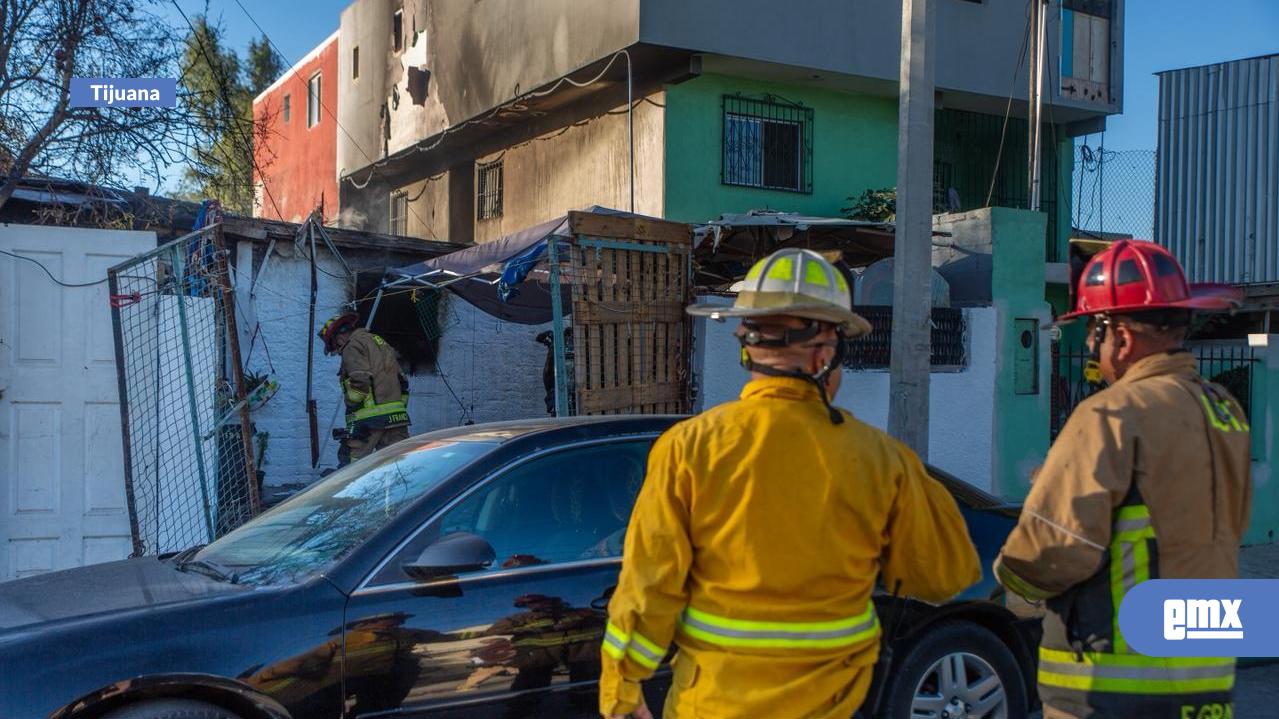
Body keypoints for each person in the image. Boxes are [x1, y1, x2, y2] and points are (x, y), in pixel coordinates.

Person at [598, 248, 981, 719]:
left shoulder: (687, 449)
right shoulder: (881, 460)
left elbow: (647, 589)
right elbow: (944, 576)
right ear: (825, 353)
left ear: (747, 346)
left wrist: (622, 692)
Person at [994, 240, 1250, 719]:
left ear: (1122, 338)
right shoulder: (1225, 410)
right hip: (1208, 680)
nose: (1093, 345)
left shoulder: (1111, 414)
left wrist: (1011, 584)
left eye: (1095, 330)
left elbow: (1054, 545)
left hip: (1110, 685)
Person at [318, 313, 410, 466]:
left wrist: (352, 405)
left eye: (336, 348)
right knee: (398, 466)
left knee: (352, 467)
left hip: (369, 422)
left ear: (338, 338)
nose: (339, 352)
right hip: (397, 419)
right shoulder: (380, 342)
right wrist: (397, 407)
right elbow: (403, 382)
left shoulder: (351, 346)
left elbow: (360, 380)